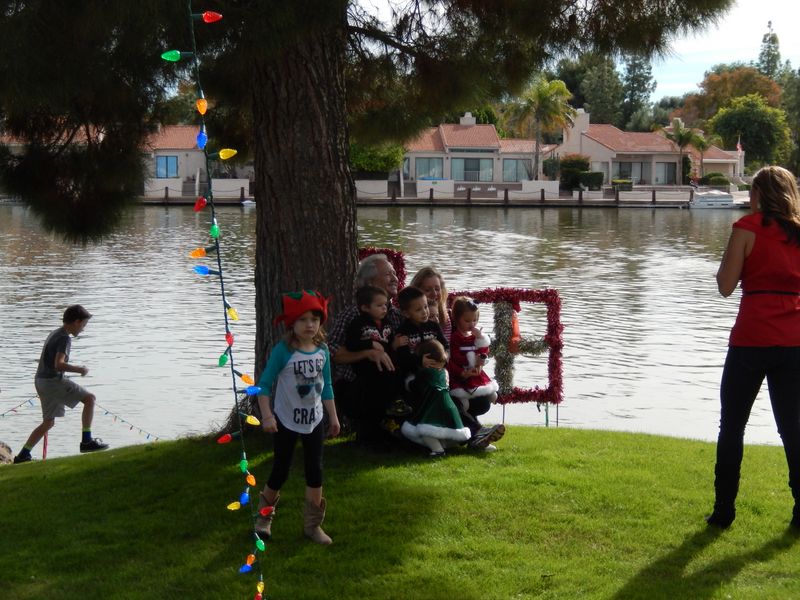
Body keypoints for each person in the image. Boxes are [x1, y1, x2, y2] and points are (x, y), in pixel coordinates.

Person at [709, 166, 800, 529]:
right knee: (793, 427)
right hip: (794, 338)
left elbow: (725, 286)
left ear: (759, 194)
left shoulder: (746, 229)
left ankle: (723, 511)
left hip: (750, 338)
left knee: (732, 426)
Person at [254, 290, 340, 545]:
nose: (309, 325)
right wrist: (267, 416)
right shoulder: (284, 351)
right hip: (285, 421)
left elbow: (327, 386)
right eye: (303, 320)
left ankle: (313, 526)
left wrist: (333, 417)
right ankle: (263, 518)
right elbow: (264, 385)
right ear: (292, 323)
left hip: (314, 420)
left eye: (314, 319)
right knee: (281, 470)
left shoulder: (322, 350)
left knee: (315, 471)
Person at [14, 305, 108, 463]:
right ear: (76, 322)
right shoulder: (64, 337)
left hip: (40, 381)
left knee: (48, 422)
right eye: (84, 325)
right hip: (52, 381)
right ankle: (86, 441)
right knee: (90, 399)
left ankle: (23, 455)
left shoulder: (54, 333)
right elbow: (59, 364)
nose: (83, 329)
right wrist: (80, 369)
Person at [328, 254, 403, 441]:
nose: (395, 278)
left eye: (394, 273)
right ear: (370, 282)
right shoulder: (352, 315)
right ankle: (370, 432)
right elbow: (332, 351)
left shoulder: (397, 315)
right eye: (387, 274)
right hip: (356, 386)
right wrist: (368, 353)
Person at [447, 297, 504, 451]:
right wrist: (462, 372)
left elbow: (483, 351)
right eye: (467, 321)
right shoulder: (454, 338)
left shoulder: (475, 337)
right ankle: (477, 434)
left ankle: (478, 436)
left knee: (490, 396)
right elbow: (451, 360)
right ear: (456, 318)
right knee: (464, 402)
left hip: (475, 374)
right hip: (460, 377)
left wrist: (481, 358)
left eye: (475, 320)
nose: (472, 325)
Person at [344, 285, 409, 418]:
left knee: (397, 372)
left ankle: (396, 402)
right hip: (366, 365)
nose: (384, 308)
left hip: (386, 363)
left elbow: (389, 345)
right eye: (379, 305)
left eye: (385, 304)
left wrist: (395, 344)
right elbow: (351, 344)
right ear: (365, 308)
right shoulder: (358, 323)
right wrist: (370, 343)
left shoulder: (387, 323)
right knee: (380, 378)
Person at [400, 340, 472, 457]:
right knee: (444, 430)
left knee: (425, 431)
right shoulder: (444, 372)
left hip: (434, 409)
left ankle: (438, 450)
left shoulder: (425, 373)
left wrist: (409, 381)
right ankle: (442, 445)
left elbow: (412, 386)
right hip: (450, 407)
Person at [410, 266, 452, 341]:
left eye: (437, 289)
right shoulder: (407, 317)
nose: (434, 294)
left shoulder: (447, 318)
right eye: (427, 290)